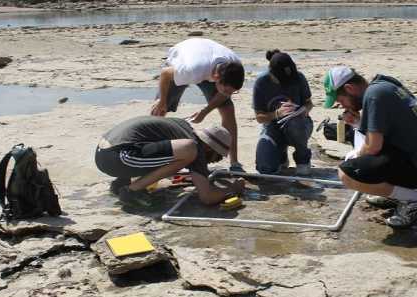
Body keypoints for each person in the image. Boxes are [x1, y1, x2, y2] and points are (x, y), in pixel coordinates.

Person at [323, 67, 417, 228]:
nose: (342, 106)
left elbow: (373, 147)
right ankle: (398, 195)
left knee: (346, 174)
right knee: (360, 159)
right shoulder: (381, 85)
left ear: (349, 89)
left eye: (341, 100)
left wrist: (355, 156)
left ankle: (414, 200)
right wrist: (358, 124)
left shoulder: (375, 95)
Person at [95, 116, 245, 207]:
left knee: (170, 152)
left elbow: (156, 152)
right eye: (216, 158)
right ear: (209, 149)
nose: (211, 163)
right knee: (188, 150)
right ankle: (132, 191)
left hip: (104, 152)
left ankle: (122, 183)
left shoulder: (183, 126)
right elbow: (207, 197)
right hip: (117, 157)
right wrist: (233, 189)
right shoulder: (195, 147)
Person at [150, 38, 246, 172]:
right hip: (185, 57)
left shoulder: (235, 67)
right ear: (217, 78)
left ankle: (235, 163)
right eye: (226, 90)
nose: (228, 94)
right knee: (158, 110)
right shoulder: (191, 70)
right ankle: (153, 158)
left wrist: (205, 111)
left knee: (228, 109)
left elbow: (223, 94)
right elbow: (165, 74)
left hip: (207, 59)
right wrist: (162, 101)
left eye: (232, 92)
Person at [252, 50, 314, 175]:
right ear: (271, 73)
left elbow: (309, 103)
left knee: (295, 123)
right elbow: (259, 117)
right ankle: (281, 155)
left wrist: (304, 110)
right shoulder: (261, 82)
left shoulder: (299, 77)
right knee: (265, 168)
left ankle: (302, 160)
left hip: (299, 125)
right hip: (273, 126)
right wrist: (277, 114)